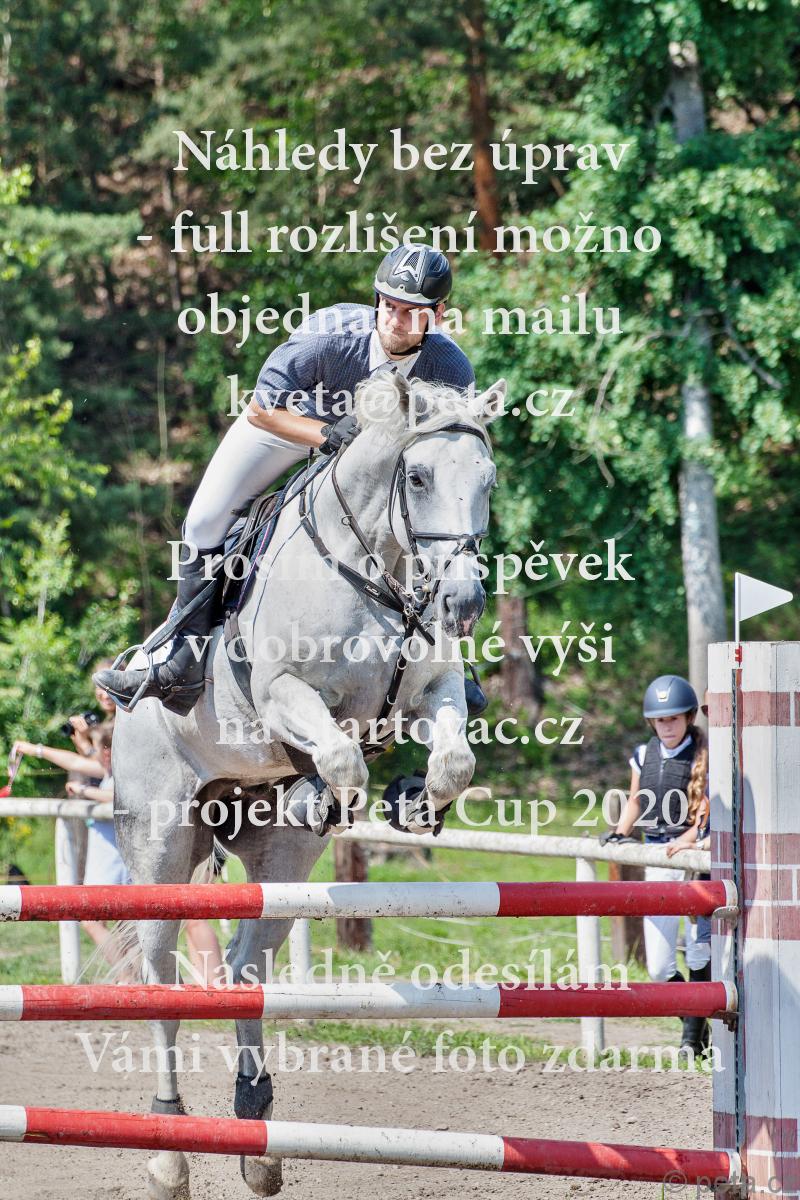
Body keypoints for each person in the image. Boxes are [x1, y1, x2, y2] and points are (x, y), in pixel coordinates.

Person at [96, 244, 486, 716]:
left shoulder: (450, 367)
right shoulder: (331, 334)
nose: (395, 321)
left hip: (374, 459)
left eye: (411, 312)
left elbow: (449, 460)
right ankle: (181, 656)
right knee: (203, 521)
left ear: (437, 315)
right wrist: (325, 435)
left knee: (433, 521)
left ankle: (445, 660)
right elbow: (262, 410)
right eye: (388, 306)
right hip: (289, 426)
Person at [11, 725, 225, 986]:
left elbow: (118, 796)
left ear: (108, 750)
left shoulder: (130, 771)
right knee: (133, 927)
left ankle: (134, 978)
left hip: (118, 858)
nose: (95, 754)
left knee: (106, 920)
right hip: (120, 856)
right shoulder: (115, 769)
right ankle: (144, 979)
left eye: (99, 748)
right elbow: (75, 761)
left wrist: (84, 791)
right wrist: (34, 749)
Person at [603, 674, 711, 1052]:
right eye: (660, 720)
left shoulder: (705, 755)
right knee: (659, 968)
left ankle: (691, 1041)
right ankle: (700, 1024)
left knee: (698, 950)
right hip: (657, 855)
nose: (667, 727)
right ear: (652, 722)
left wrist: (688, 839)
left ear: (688, 718)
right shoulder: (642, 754)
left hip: (695, 857)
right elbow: (636, 800)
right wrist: (619, 833)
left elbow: (707, 810)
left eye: (673, 719)